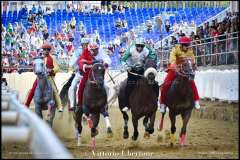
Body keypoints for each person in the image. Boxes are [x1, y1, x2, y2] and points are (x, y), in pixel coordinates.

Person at [159, 36, 201, 113]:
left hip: (185, 70)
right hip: (175, 69)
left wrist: (194, 65)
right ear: (181, 44)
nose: (186, 46)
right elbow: (172, 59)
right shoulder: (175, 48)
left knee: (192, 83)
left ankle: (196, 100)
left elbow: (192, 59)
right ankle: (163, 103)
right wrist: (175, 66)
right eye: (185, 45)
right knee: (165, 84)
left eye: (187, 45)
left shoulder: (190, 50)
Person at [120, 37, 158, 112]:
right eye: (138, 46)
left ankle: (156, 101)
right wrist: (127, 67)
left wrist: (150, 60)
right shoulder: (130, 50)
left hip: (142, 70)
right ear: (135, 45)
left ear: (143, 46)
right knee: (129, 86)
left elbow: (153, 57)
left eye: (141, 46)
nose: (140, 48)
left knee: (154, 84)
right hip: (132, 71)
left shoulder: (147, 50)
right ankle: (127, 105)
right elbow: (123, 60)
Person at [25, 43, 63, 112]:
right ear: (42, 50)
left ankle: (60, 106)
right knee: (33, 89)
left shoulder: (52, 58)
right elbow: (35, 66)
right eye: (44, 49)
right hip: (40, 78)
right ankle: (27, 105)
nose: (45, 51)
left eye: (47, 50)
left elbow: (57, 68)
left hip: (49, 77)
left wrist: (51, 70)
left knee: (54, 90)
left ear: (49, 50)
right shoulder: (40, 58)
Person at [77, 42, 111, 109]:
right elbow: (80, 62)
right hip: (88, 74)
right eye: (93, 50)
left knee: (106, 87)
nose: (96, 51)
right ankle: (79, 104)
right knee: (81, 86)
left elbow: (107, 58)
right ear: (90, 50)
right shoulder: (85, 52)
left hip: (99, 75)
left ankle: (105, 103)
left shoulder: (101, 51)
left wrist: (105, 64)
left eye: (96, 49)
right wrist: (86, 66)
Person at [68, 38, 90, 110]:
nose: (85, 46)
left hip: (89, 74)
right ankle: (72, 105)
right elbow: (73, 61)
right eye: (84, 45)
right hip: (79, 74)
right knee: (72, 87)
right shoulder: (78, 51)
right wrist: (73, 66)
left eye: (86, 44)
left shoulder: (91, 51)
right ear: (82, 45)